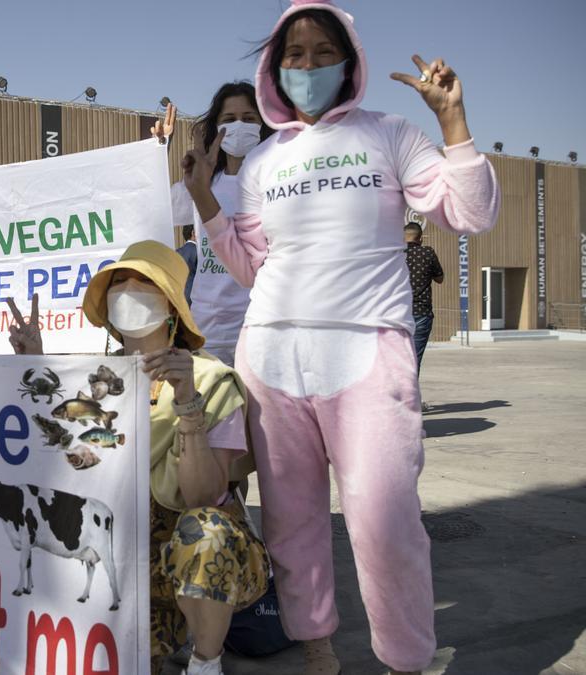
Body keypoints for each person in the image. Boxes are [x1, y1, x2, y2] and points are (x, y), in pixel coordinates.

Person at [179, 1, 499, 672]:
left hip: (366, 353)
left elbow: (471, 211)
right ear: (275, 66)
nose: (308, 64)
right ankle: (318, 649)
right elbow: (249, 268)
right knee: (292, 525)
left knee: (387, 526)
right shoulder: (265, 160)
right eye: (294, 53)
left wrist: (453, 121)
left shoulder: (391, 134)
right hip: (271, 356)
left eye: (324, 51)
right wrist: (207, 201)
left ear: (350, 62)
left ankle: (405, 659)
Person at [8, 241, 270, 675]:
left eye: (144, 283)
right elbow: (59, 460)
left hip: (181, 550)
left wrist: (187, 404)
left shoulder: (210, 380)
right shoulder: (88, 380)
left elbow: (203, 495)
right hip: (116, 555)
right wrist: (33, 361)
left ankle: (206, 661)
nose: (129, 290)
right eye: (120, 283)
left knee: (206, 530)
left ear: (170, 306)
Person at [176, 82, 272, 367]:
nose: (239, 126)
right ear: (215, 127)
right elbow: (149, 205)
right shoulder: (201, 183)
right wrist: (159, 149)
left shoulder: (276, 182)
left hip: (259, 323)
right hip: (208, 326)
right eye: (229, 120)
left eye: (249, 118)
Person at [404, 221, 444, 378]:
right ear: (420, 239)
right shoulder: (427, 253)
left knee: (395, 359)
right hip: (421, 312)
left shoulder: (394, 254)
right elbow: (440, 278)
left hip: (398, 313)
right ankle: (412, 399)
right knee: (414, 358)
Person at [174, 224, 198, 304]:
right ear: (193, 232)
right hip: (195, 296)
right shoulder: (199, 252)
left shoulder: (176, 252)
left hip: (178, 296)